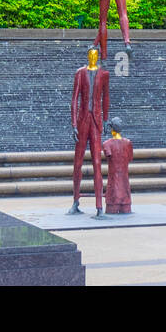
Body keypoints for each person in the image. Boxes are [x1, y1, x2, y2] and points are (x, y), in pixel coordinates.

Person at [67, 46, 109, 219]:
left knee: (97, 163)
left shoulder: (104, 74)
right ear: (87, 56)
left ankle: (100, 206)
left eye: (95, 55)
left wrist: (105, 119)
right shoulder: (80, 73)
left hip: (96, 122)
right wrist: (74, 123)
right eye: (90, 55)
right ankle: (75, 201)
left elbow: (106, 97)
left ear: (98, 57)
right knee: (77, 163)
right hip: (83, 120)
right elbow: (74, 99)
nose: (93, 57)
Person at [102, 117, 134, 214]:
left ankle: (113, 206)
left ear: (112, 129)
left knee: (113, 198)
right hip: (124, 177)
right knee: (124, 188)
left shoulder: (106, 144)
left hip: (113, 178)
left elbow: (108, 156)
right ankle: (125, 206)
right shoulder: (128, 143)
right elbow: (130, 158)